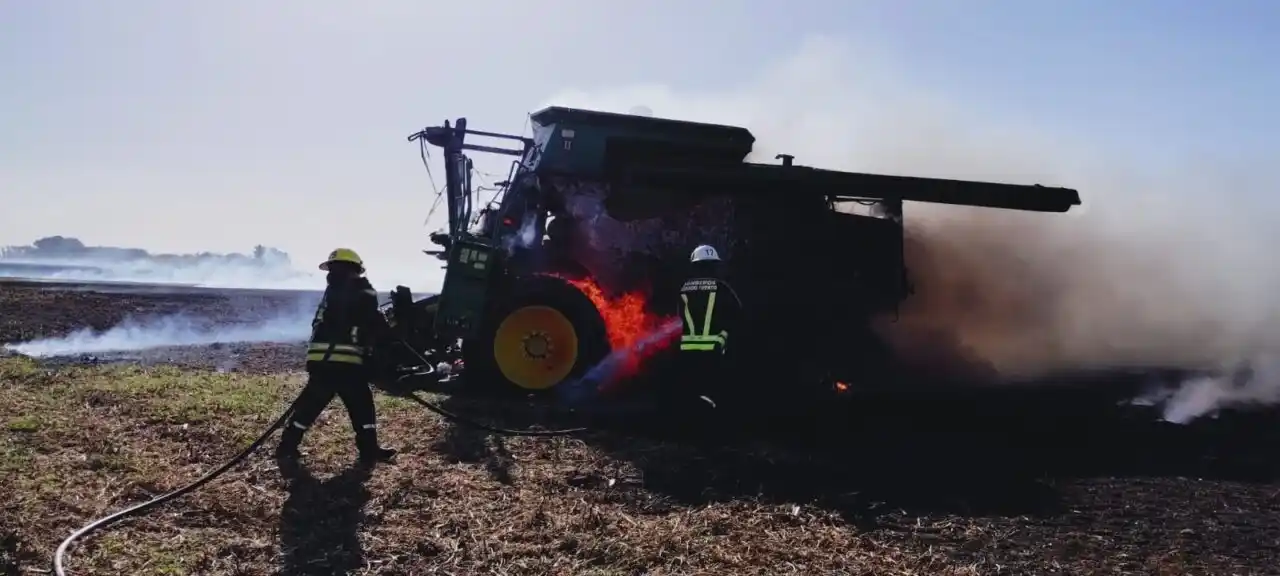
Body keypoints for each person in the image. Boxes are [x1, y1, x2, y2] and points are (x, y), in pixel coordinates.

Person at [276, 248, 398, 466]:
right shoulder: (363, 290)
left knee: (309, 407)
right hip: (346, 362)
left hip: (320, 360)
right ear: (356, 269)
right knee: (362, 406)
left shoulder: (330, 292)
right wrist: (388, 339)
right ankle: (369, 451)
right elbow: (374, 323)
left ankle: (286, 447)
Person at [673, 244, 743, 416]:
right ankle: (712, 432)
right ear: (713, 265)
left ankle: (690, 430)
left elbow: (677, 318)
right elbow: (737, 313)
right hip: (713, 349)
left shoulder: (684, 288)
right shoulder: (722, 288)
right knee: (714, 393)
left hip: (687, 350)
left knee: (692, 393)